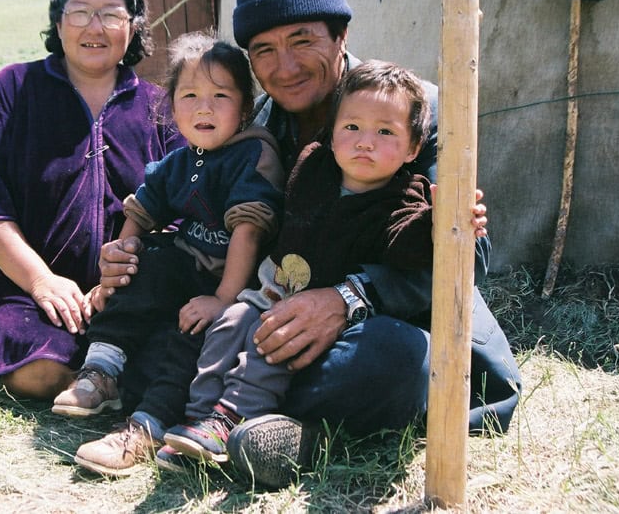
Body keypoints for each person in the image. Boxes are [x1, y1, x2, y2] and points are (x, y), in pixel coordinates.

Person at [99, 0, 522, 488]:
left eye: (302, 40)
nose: (286, 66)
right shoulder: (257, 130)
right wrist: (136, 253)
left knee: (400, 360)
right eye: (265, 51)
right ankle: (236, 415)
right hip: (268, 318)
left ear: (341, 36)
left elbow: (466, 257)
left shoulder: (411, 109)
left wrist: (348, 298)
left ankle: (287, 434)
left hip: (389, 322)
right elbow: (214, 225)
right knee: (178, 300)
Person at [160, 60, 436, 466]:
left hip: (321, 321)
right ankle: (199, 422)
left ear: (414, 147)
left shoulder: (404, 198)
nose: (365, 142)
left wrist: (439, 221)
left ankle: (230, 418)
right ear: (332, 130)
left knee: (268, 348)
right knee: (228, 325)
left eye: (385, 132)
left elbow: (407, 247)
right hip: (269, 291)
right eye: (352, 127)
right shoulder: (312, 166)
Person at [0, 0, 184, 400]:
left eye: (111, 14)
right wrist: (42, 281)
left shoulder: (162, 107)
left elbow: (186, 207)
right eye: (80, 12)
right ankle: (107, 379)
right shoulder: (12, 90)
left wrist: (124, 276)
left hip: (131, 293)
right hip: (21, 289)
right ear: (59, 24)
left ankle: (110, 375)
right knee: (37, 371)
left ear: (132, 27)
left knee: (170, 348)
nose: (94, 27)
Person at [56, 31, 285, 476]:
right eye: (190, 95)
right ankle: (102, 368)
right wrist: (118, 267)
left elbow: (249, 233)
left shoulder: (252, 152)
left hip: (232, 284)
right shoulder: (185, 158)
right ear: (171, 104)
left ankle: (146, 427)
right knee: (149, 261)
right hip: (186, 269)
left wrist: (223, 299)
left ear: (244, 107)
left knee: (191, 336)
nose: (204, 107)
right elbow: (142, 210)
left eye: (221, 96)